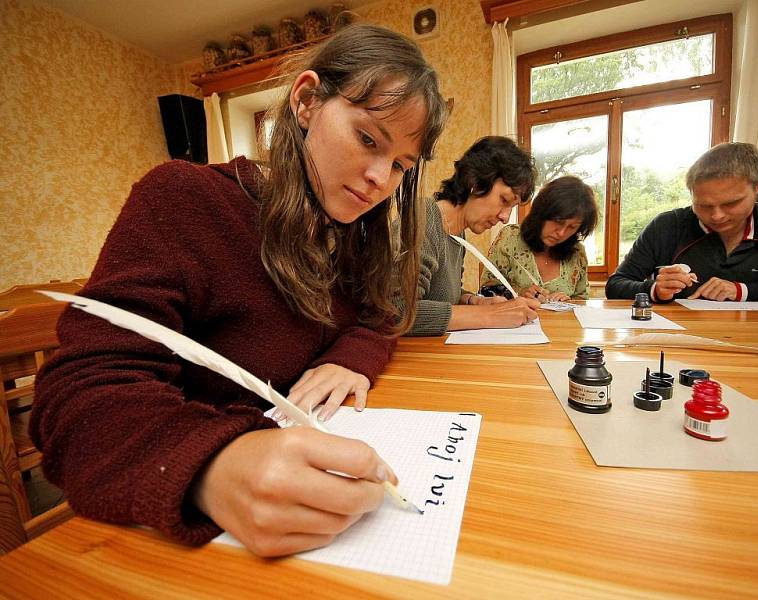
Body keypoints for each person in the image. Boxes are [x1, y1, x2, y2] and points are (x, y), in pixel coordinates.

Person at [31, 24, 448, 557]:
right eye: (368, 139)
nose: (378, 178)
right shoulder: (185, 199)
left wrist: (353, 358)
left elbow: (379, 317)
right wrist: (211, 467)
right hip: (169, 537)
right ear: (306, 101)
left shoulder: (352, 235)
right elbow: (75, 404)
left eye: (399, 166)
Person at [606, 142, 758, 302]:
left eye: (731, 203)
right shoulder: (666, 226)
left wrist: (743, 291)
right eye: (704, 206)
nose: (717, 216)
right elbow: (616, 285)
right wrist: (655, 289)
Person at [405, 136, 540, 336]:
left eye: (511, 207)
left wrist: (476, 301)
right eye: (504, 200)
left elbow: (443, 296)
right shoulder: (424, 219)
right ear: (475, 182)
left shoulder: (456, 233)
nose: (505, 217)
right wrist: (491, 315)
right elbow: (396, 312)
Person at [481, 176, 597, 301]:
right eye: (558, 221)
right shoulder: (510, 237)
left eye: (572, 227)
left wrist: (568, 301)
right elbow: (485, 290)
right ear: (542, 212)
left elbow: (582, 299)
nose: (561, 233)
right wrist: (517, 293)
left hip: (558, 321)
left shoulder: (577, 253)